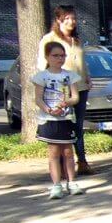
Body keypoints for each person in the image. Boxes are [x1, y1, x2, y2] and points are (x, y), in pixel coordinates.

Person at [37, 5, 93, 175]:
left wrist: (87, 76)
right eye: (67, 18)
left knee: (77, 126)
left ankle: (82, 161)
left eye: (74, 18)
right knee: (62, 127)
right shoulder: (49, 39)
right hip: (59, 90)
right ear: (59, 20)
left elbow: (81, 62)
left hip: (80, 88)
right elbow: (41, 65)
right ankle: (61, 167)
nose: (72, 21)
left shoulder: (76, 40)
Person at [33, 41, 84, 198]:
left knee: (68, 152)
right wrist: (48, 110)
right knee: (53, 153)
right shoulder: (41, 77)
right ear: (47, 57)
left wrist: (66, 102)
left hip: (66, 118)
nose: (59, 59)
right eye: (55, 55)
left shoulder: (70, 76)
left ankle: (72, 182)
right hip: (49, 119)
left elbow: (75, 97)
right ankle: (56, 185)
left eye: (62, 56)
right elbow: (38, 98)